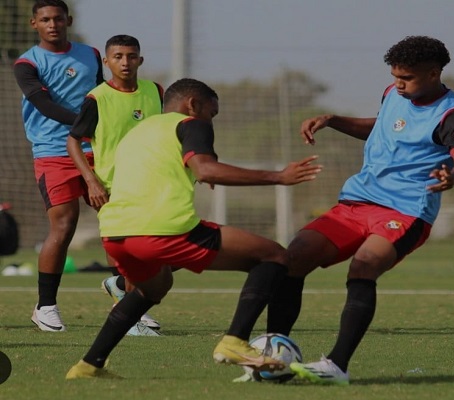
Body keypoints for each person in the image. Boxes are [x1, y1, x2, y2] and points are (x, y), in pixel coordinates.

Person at [65, 78, 322, 379]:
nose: (210, 121)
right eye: (211, 113)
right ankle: (235, 342)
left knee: (154, 287)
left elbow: (169, 169)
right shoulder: (192, 124)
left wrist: (202, 170)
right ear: (193, 104)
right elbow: (206, 168)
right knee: (275, 256)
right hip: (162, 230)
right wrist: (279, 177)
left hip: (115, 233)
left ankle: (88, 365)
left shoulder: (140, 131)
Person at [268, 35, 454, 385]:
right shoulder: (393, 93)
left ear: (433, 73)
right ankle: (274, 353)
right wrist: (333, 120)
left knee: (363, 267)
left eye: (406, 78)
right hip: (358, 200)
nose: (398, 83)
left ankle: (336, 366)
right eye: (395, 75)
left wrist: (451, 177)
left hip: (407, 209)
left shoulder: (453, 114)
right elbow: (383, 127)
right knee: (294, 256)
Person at [13, 0, 103, 332]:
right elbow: (43, 104)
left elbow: (101, 95)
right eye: (45, 19)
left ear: (69, 20)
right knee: (64, 227)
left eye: (58, 18)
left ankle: (130, 299)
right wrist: (86, 124)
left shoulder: (91, 54)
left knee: (121, 221)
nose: (53, 24)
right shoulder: (26, 63)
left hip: (97, 149)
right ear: (34, 23)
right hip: (53, 152)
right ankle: (46, 306)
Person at [67, 34, 163, 335]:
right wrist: (91, 180)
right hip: (112, 185)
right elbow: (73, 141)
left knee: (153, 251)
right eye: (118, 57)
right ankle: (128, 313)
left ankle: (120, 287)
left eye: (131, 56)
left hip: (152, 183)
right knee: (127, 246)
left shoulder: (156, 92)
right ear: (107, 62)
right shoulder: (97, 98)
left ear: (140, 60)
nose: (125, 62)